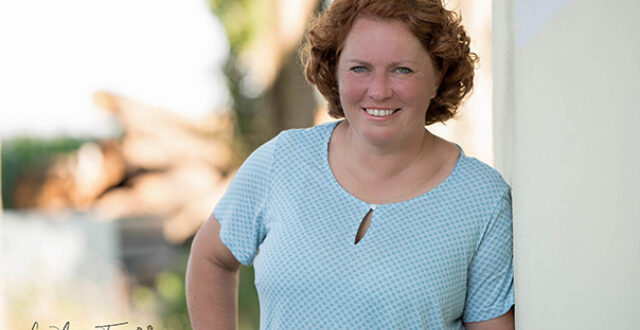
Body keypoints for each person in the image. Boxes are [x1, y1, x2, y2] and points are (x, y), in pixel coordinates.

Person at [186, 0, 515, 329]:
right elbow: (210, 259)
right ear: (335, 70)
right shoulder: (283, 161)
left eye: (402, 69)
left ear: (437, 74)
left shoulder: (481, 199)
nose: (379, 91)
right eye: (360, 68)